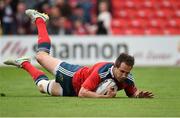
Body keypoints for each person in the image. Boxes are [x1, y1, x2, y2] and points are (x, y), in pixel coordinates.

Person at [4, 9, 154, 98]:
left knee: (42, 87)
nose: (124, 75)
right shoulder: (102, 71)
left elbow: (132, 92)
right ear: (115, 66)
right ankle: (40, 20)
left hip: (71, 92)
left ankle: (24, 63)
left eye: (127, 72)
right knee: (41, 56)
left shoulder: (127, 78)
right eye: (122, 71)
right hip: (71, 76)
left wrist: (138, 95)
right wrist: (104, 97)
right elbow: (83, 92)